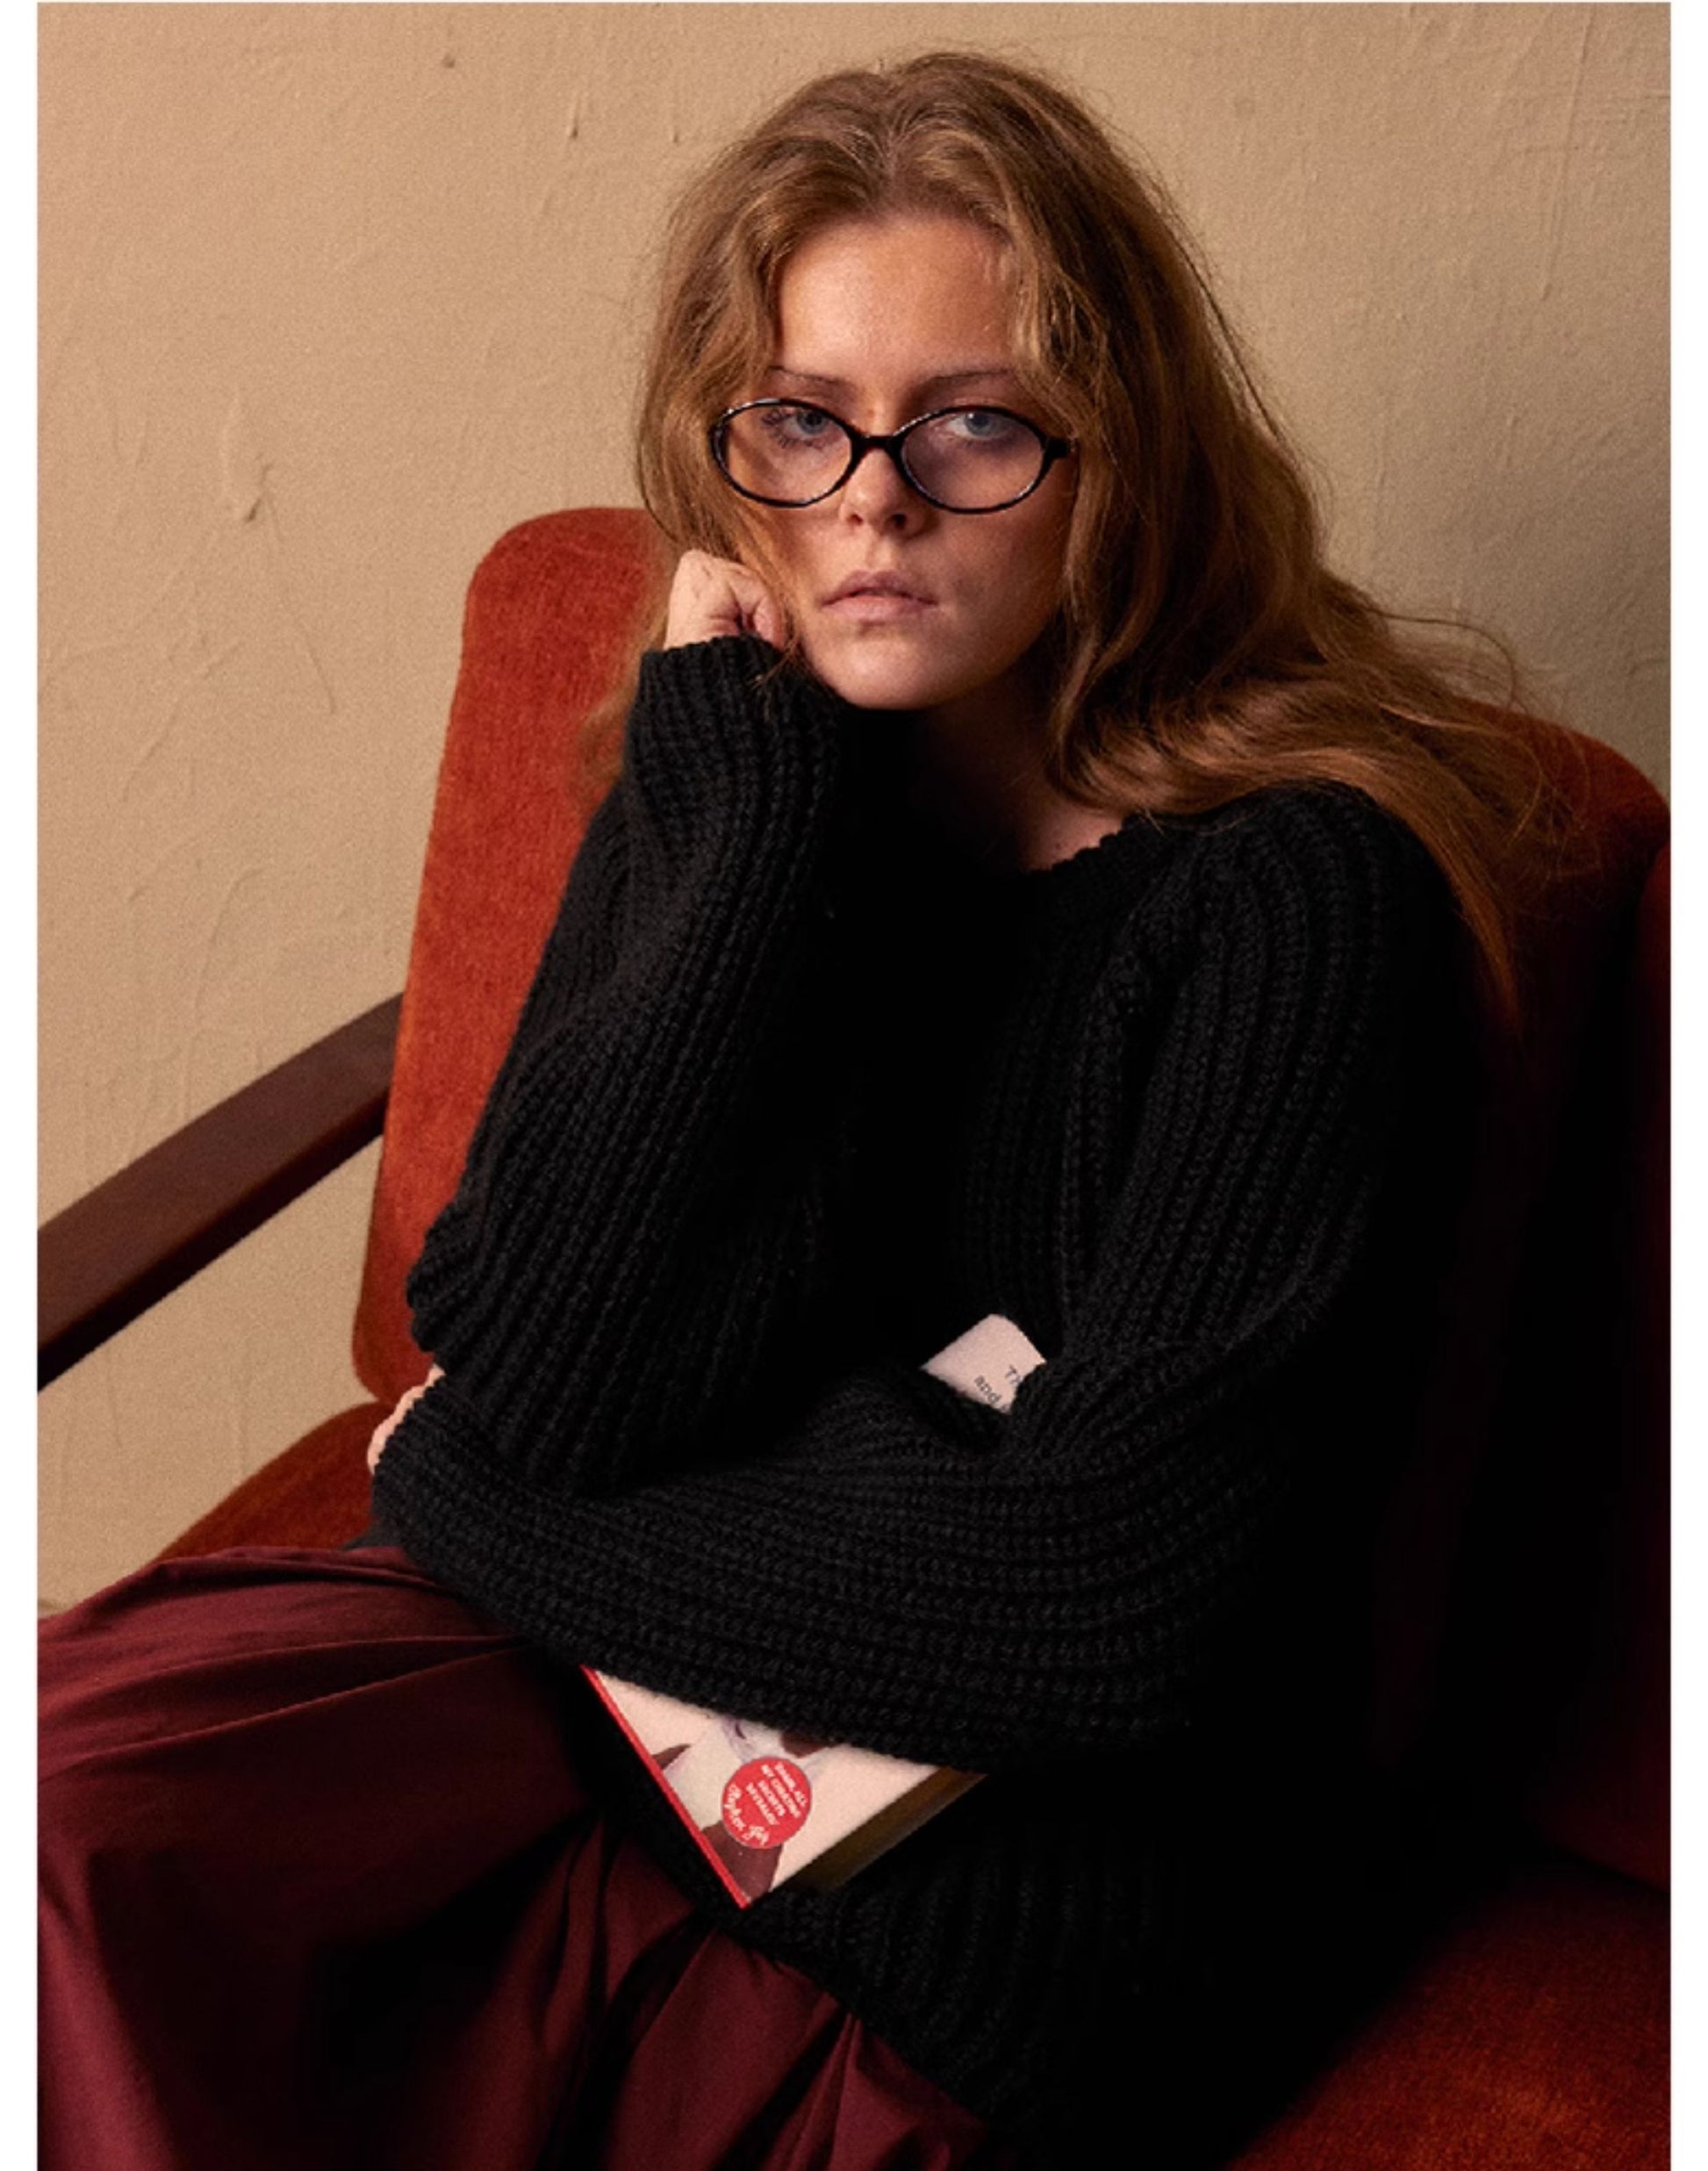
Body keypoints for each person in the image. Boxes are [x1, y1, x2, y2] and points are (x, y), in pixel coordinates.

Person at [39, 50, 1568, 2171]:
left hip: (960, 1914)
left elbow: (1095, 1605)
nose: (871, 500)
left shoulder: (1294, 898)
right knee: (56, 1820)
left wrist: (472, 1491)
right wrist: (756, 834)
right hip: (564, 1711)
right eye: (799, 418)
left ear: (1118, 453)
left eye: (973, 424)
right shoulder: (739, 769)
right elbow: (547, 1356)